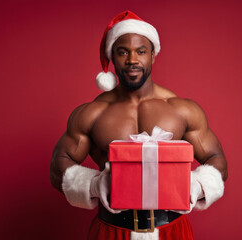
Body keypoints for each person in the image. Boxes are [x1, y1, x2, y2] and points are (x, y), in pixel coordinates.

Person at [50, 10, 228, 240]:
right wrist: (94, 184)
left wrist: (195, 185)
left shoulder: (181, 109)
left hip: (172, 230)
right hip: (112, 230)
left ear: (153, 56)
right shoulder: (93, 113)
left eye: (141, 51)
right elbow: (57, 167)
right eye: (123, 52)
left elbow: (218, 160)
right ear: (112, 58)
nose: (132, 59)